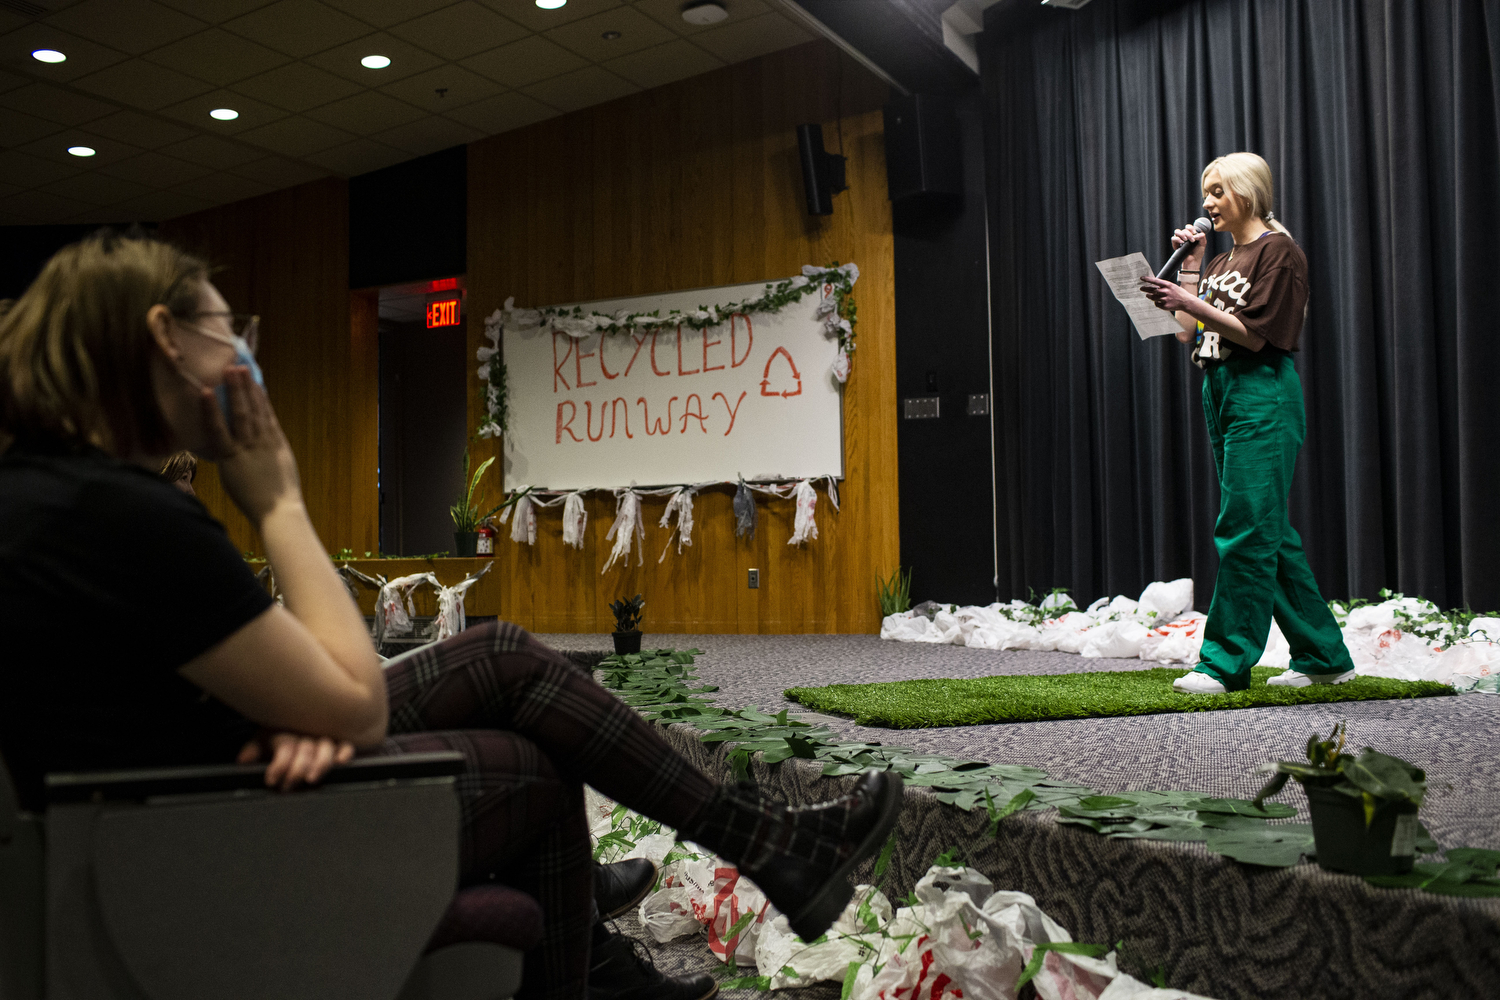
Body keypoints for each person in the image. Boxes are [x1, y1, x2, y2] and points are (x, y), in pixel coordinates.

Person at [0, 232, 903, 1000]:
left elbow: (139, 692)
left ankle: (759, 856)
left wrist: (285, 713)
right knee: (536, 775)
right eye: (224, 333)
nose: (243, 358)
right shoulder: (124, 515)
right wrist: (276, 502)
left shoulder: (45, 496)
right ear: (163, 339)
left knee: (502, 653)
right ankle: (732, 874)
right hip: (198, 841)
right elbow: (350, 704)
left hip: (161, 808)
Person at [1137, 152, 1355, 695]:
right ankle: (1324, 656)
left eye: (1217, 192)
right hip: (1221, 390)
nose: (1207, 203)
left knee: (1244, 531)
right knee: (1268, 533)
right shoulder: (1218, 262)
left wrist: (1191, 299)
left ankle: (1224, 663)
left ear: (1247, 192)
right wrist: (1191, 269)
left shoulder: (1279, 252)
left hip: (1262, 390)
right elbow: (1189, 331)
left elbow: (1256, 335)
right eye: (1206, 192)